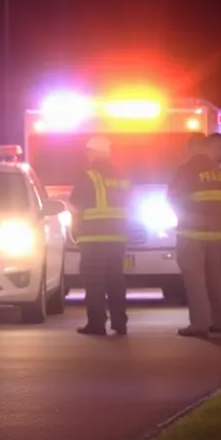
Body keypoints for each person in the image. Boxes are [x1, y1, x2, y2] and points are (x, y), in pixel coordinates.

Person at [167, 133, 221, 337]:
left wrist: (183, 217)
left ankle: (199, 324)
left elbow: (173, 197)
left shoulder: (187, 169)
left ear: (191, 147)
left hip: (191, 233)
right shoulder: (219, 171)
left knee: (195, 279)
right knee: (216, 277)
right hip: (216, 233)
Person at [69, 136, 131, 336]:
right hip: (117, 237)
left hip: (93, 238)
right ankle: (120, 322)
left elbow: (75, 207)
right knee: (116, 281)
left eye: (89, 152)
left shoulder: (88, 176)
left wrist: (75, 229)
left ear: (94, 153)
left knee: (94, 282)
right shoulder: (122, 177)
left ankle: (96, 324)